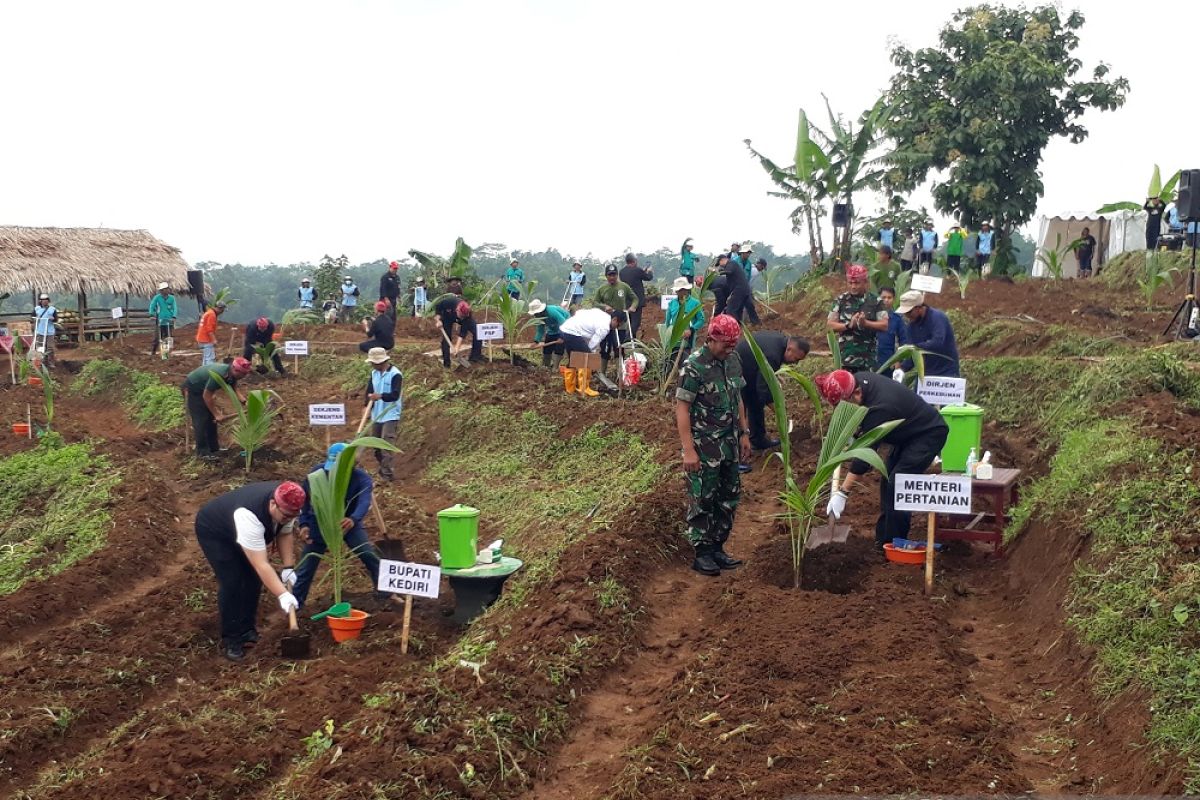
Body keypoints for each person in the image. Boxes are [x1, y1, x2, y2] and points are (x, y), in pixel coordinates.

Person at [818, 370, 949, 551]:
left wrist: (842, 492)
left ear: (856, 393)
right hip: (906, 432)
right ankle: (884, 540)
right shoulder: (861, 379)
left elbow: (865, 457)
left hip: (928, 433)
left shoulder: (879, 409)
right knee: (888, 480)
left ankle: (896, 542)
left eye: (847, 404)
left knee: (898, 484)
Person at [194, 480, 305, 661]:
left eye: (292, 517)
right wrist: (282, 594)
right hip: (217, 533)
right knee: (232, 582)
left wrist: (288, 567)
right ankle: (232, 639)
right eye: (285, 516)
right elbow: (261, 564)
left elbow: (284, 533)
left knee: (253, 580)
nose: (288, 519)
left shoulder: (287, 503)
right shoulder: (249, 516)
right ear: (272, 504)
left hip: (241, 531)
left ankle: (247, 630)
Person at [676, 314, 752, 576]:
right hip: (704, 445)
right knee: (702, 498)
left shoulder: (733, 360)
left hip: (729, 442)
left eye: (733, 344)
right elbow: (682, 408)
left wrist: (744, 432)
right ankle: (703, 552)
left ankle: (718, 546)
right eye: (725, 344)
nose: (729, 349)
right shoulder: (694, 366)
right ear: (710, 339)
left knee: (729, 495)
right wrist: (688, 450)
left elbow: (738, 396)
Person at [293, 443, 380, 610]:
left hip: (348, 523)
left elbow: (364, 502)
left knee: (368, 554)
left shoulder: (362, 479)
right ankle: (296, 604)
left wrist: (353, 519)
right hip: (321, 523)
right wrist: (304, 523)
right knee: (307, 565)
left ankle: (384, 593)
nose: (332, 473)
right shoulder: (317, 474)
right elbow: (306, 501)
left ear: (350, 465)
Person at [736, 332, 809, 457]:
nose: (795, 363)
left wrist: (774, 375)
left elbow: (766, 368)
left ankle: (758, 440)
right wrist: (778, 410)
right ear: (790, 348)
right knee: (739, 408)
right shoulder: (773, 354)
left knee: (756, 403)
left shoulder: (782, 342)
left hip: (750, 368)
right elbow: (763, 389)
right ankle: (738, 452)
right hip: (738, 371)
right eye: (796, 359)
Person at [182, 357, 251, 458]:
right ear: (234, 369)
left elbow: (234, 386)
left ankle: (214, 449)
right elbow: (206, 396)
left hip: (204, 390)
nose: (243, 376)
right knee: (201, 419)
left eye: (245, 374)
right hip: (193, 389)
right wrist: (217, 414)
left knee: (211, 420)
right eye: (242, 374)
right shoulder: (219, 375)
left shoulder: (231, 374)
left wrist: (244, 401)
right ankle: (202, 452)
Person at [827, 264, 887, 372]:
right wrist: (849, 325)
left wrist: (866, 323)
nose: (853, 286)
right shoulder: (841, 300)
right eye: (850, 283)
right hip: (846, 358)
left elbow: (884, 325)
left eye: (857, 283)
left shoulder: (876, 301)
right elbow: (830, 325)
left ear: (865, 282)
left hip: (869, 359)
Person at [559, 307, 624, 397]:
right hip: (573, 332)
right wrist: (590, 356)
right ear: (615, 319)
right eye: (618, 325)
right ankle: (584, 389)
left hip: (565, 329)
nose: (617, 327)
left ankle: (570, 388)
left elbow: (579, 312)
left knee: (573, 359)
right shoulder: (604, 328)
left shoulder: (603, 315)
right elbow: (593, 344)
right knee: (587, 359)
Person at [896, 290, 960, 377]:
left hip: (946, 371)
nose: (907, 315)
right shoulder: (911, 326)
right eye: (904, 313)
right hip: (926, 373)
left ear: (919, 308)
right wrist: (902, 368)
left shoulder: (937, 318)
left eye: (909, 312)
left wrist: (914, 347)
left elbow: (937, 343)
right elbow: (913, 355)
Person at [362, 347, 402, 480]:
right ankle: (382, 468)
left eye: (374, 363)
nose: (372, 365)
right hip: (376, 415)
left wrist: (379, 396)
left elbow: (395, 395)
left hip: (390, 414)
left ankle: (387, 475)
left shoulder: (395, 374)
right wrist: (366, 405)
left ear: (381, 362)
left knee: (386, 445)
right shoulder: (374, 373)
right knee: (376, 447)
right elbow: (369, 391)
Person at [594, 265, 636, 375]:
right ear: (606, 276)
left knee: (619, 347)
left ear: (617, 275)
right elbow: (595, 302)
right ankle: (602, 373)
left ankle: (620, 374)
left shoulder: (624, 287)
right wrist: (604, 307)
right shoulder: (602, 289)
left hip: (620, 323)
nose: (612, 277)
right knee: (605, 348)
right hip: (606, 323)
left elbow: (635, 298)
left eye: (614, 275)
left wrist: (633, 306)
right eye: (609, 275)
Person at [664, 276, 706, 370]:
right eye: (678, 290)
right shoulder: (672, 304)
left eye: (682, 289)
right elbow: (667, 322)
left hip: (687, 341)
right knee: (669, 366)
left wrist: (691, 329)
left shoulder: (695, 303)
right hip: (673, 341)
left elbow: (701, 319)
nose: (680, 292)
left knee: (685, 366)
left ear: (687, 290)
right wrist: (667, 336)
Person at [619, 253, 654, 339]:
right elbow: (648, 277)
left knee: (630, 322)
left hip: (627, 300)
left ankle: (632, 340)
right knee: (636, 322)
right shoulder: (638, 270)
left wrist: (642, 271)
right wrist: (649, 271)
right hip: (637, 300)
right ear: (634, 261)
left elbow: (635, 275)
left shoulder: (622, 272)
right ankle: (627, 338)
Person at [721, 249, 760, 325]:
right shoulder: (735, 261)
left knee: (734, 307)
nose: (748, 255)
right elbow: (729, 273)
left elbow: (747, 275)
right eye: (747, 253)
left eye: (749, 253)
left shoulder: (748, 263)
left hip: (742, 287)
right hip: (739, 286)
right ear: (742, 253)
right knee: (742, 306)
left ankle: (734, 324)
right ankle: (740, 322)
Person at [529, 298, 569, 369]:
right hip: (552, 329)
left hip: (565, 326)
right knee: (547, 347)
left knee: (559, 348)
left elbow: (564, 323)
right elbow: (540, 330)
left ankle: (555, 367)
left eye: (535, 313)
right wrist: (536, 341)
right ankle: (546, 366)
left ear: (540, 311)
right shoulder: (539, 317)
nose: (534, 315)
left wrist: (562, 337)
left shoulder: (552, 312)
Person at [876, 286, 909, 368]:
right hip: (872, 361)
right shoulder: (871, 317)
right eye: (883, 297)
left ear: (893, 299)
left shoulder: (897, 319)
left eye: (889, 298)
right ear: (878, 298)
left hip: (889, 362)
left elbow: (903, 341)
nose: (886, 300)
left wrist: (898, 360)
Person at [148, 282, 177, 357]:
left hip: (169, 320)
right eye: (165, 289)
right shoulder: (157, 298)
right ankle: (153, 352)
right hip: (160, 320)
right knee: (158, 337)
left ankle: (165, 354)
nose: (167, 290)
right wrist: (151, 314)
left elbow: (175, 308)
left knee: (167, 337)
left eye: (167, 289)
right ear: (161, 291)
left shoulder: (172, 298)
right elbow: (152, 306)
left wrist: (174, 316)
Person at [31, 293, 58, 367]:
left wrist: (52, 318)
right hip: (40, 331)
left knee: (50, 347)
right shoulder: (37, 309)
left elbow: (56, 319)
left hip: (50, 331)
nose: (45, 301)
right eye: (43, 300)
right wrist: (36, 317)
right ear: (40, 301)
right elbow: (32, 317)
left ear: (48, 301)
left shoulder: (52, 309)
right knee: (40, 347)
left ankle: (51, 362)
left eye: (46, 300)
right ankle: (41, 362)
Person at [196, 300, 225, 366]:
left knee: (206, 358)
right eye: (222, 310)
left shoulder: (209, 312)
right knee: (210, 359)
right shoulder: (212, 315)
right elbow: (209, 330)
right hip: (206, 340)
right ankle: (210, 373)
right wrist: (214, 340)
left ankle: (204, 373)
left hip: (201, 339)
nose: (222, 313)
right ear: (219, 308)